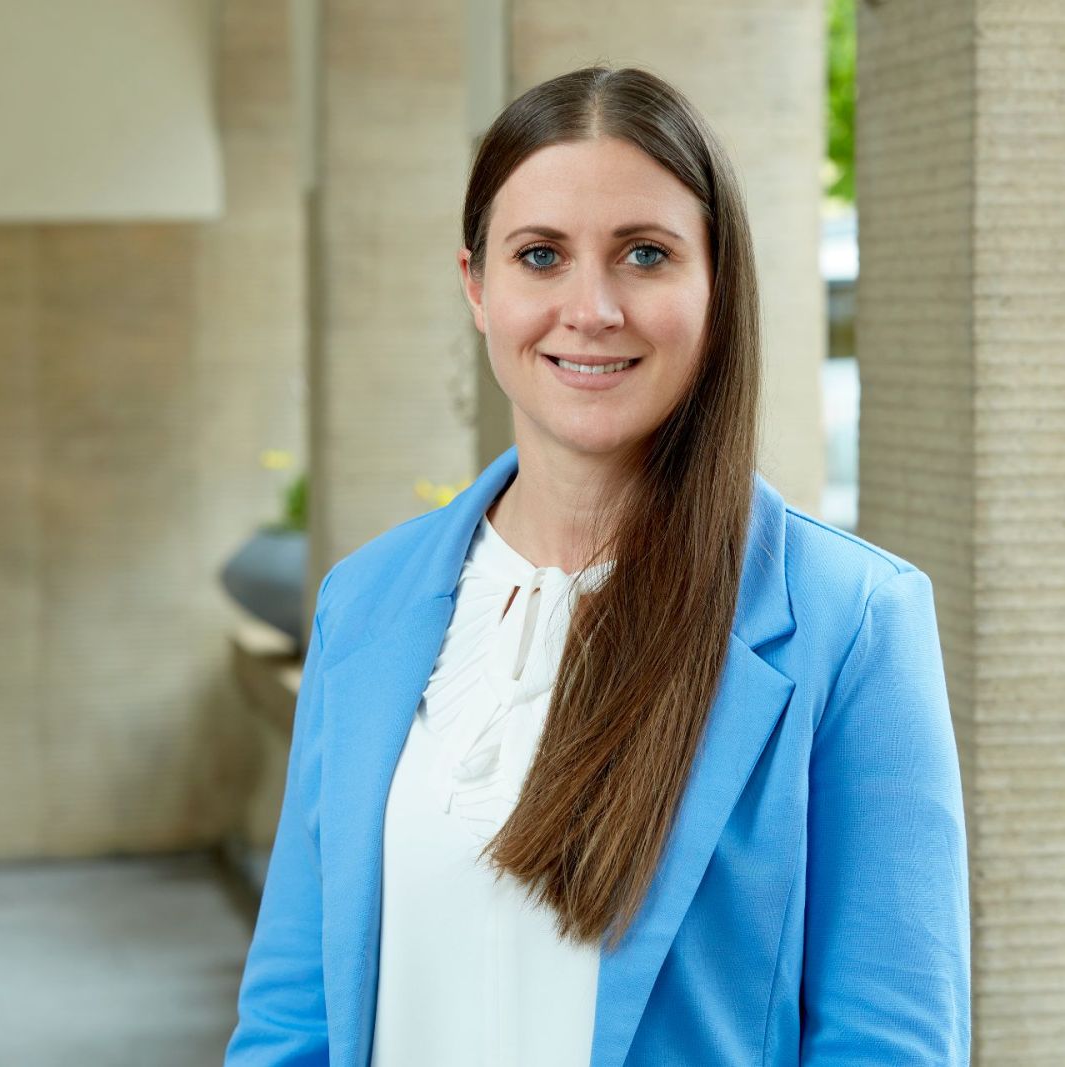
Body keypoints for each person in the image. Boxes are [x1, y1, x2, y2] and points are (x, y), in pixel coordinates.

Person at [225, 65, 969, 1067]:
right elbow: (292, 1020)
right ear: (476, 286)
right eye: (540, 255)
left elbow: (888, 1042)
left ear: (717, 285)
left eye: (645, 254)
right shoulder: (362, 602)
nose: (592, 307)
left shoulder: (853, 622)